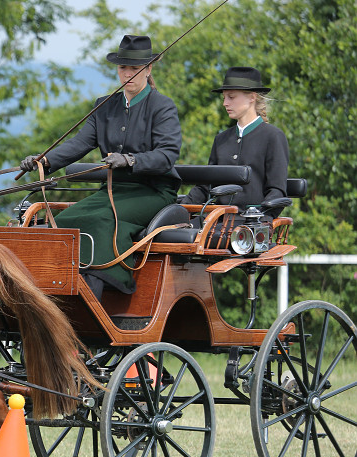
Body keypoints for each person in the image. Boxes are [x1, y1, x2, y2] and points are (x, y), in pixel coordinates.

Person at [20, 34, 182, 298]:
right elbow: (80, 143)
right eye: (122, 68)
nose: (127, 74)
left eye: (134, 68)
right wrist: (44, 160)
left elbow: (167, 155)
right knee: (65, 220)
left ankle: (102, 282)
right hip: (113, 190)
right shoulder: (104, 106)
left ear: (148, 69)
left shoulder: (162, 106)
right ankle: (62, 284)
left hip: (152, 190)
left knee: (99, 219)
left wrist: (131, 160)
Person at [179, 66, 288, 215]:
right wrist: (178, 210)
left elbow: (277, 192)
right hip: (217, 222)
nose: (225, 103)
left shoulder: (273, 136)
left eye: (231, 97)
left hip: (253, 226)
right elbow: (206, 186)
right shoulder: (221, 140)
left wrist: (257, 219)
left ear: (252, 97)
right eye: (224, 98)